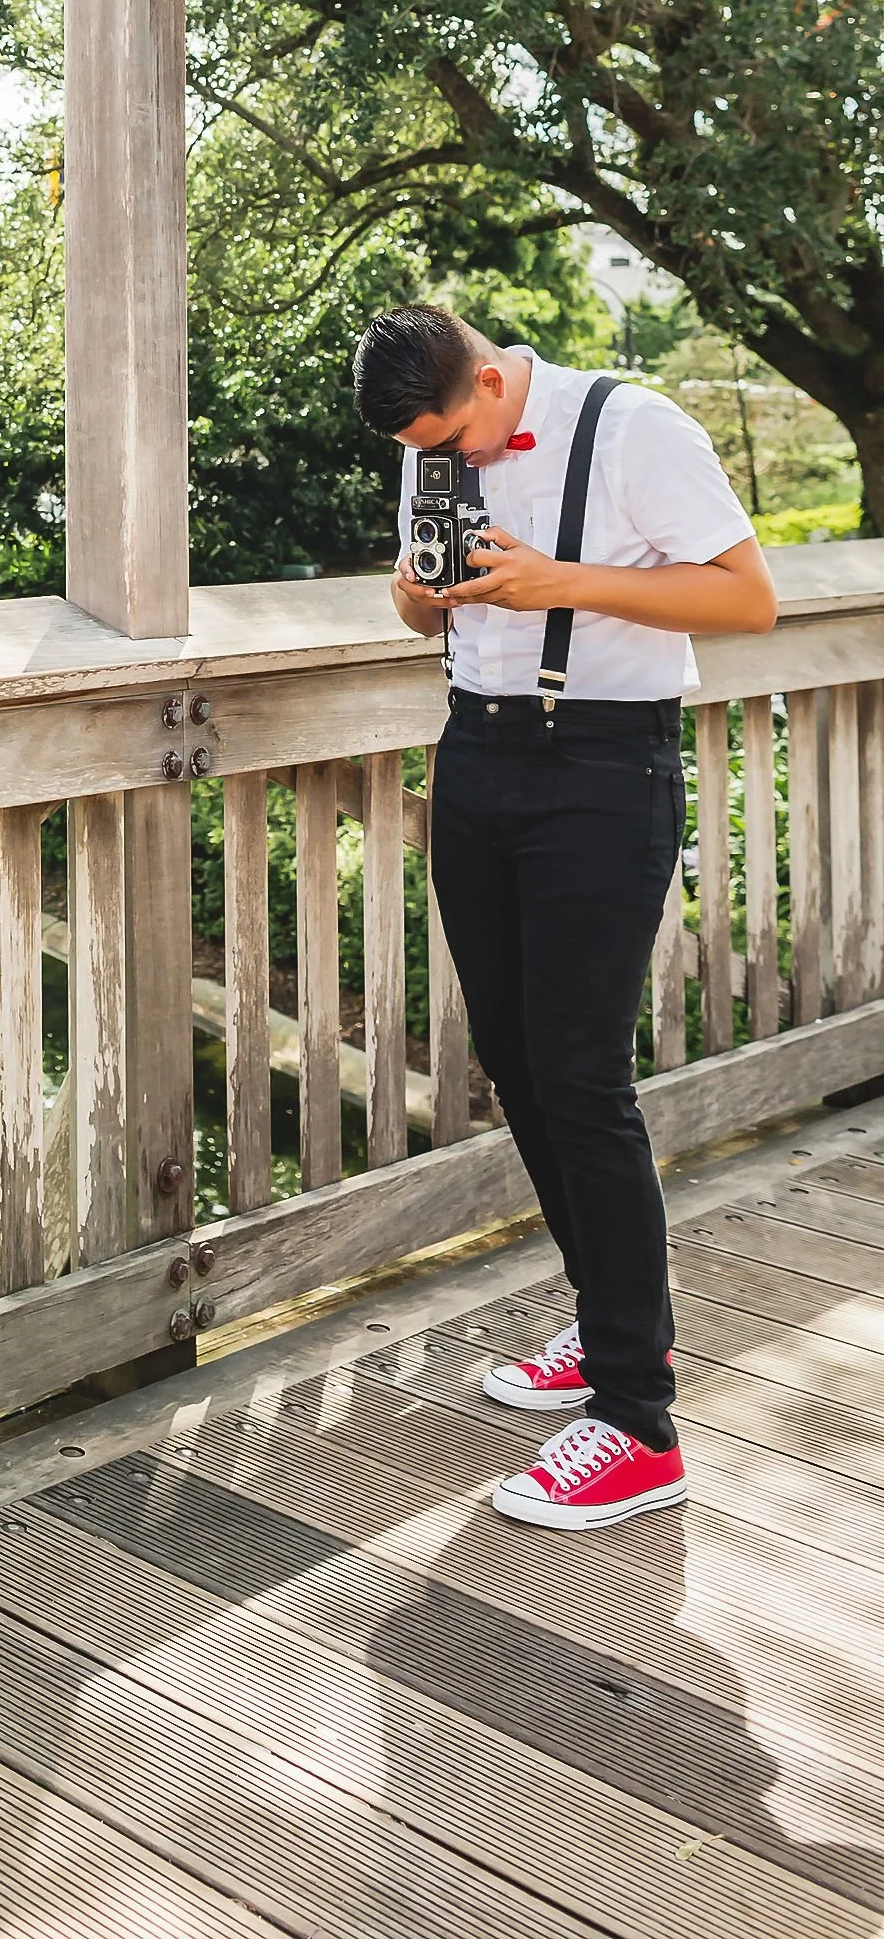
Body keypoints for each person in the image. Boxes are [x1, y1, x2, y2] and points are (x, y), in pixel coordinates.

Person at [353, 304, 776, 1534]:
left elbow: (747, 598)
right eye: (426, 454)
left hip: (601, 764)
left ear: (489, 379)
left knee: (584, 1080)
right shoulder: (432, 443)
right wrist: (416, 594)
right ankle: (605, 1324)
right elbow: (426, 616)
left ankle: (639, 1423)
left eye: (454, 440)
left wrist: (556, 581)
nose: (447, 464)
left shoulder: (633, 425)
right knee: (518, 1063)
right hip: (475, 755)